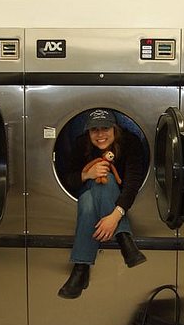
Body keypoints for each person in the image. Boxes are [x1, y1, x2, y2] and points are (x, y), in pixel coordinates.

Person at [58, 109, 147, 299]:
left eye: (105, 128)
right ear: (87, 133)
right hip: (87, 188)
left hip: (118, 198)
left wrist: (115, 217)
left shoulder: (130, 143)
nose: (100, 135)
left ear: (115, 128)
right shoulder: (80, 144)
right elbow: (68, 179)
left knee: (89, 203)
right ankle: (124, 239)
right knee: (99, 177)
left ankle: (80, 269)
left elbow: (133, 182)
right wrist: (86, 175)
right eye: (94, 130)